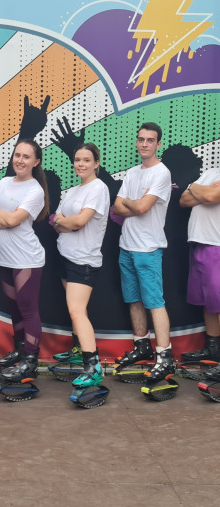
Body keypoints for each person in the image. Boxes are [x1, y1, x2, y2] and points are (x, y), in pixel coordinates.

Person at [0, 138, 49, 380]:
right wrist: (4, 217)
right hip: (5, 259)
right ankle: (20, 350)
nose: (20, 160)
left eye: (26, 157)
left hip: (26, 259)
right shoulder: (3, 182)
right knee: (14, 309)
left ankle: (30, 360)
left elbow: (12, 220)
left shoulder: (35, 190)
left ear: (36, 162)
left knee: (27, 309)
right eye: (17, 155)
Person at [113, 122, 173, 383]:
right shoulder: (132, 172)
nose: (144, 144)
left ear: (158, 144)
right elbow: (118, 207)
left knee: (154, 302)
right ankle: (142, 346)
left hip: (148, 248)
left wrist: (132, 203)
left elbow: (141, 208)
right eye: (141, 139)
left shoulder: (161, 173)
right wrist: (133, 202)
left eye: (150, 140)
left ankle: (165, 357)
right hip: (127, 246)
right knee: (134, 300)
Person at [51, 143, 109, 389]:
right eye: (77, 160)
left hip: (83, 260)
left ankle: (93, 367)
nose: (81, 164)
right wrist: (65, 222)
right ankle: (78, 350)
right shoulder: (73, 190)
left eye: (86, 160)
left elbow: (79, 222)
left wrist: (67, 222)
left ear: (96, 163)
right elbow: (55, 220)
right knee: (74, 309)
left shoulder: (99, 188)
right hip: (65, 256)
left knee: (77, 310)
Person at [179, 166, 220, 373]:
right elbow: (183, 200)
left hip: (217, 244)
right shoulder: (211, 172)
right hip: (199, 241)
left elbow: (211, 197)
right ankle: (213, 349)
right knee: (208, 302)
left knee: (218, 302)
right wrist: (201, 190)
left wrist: (194, 188)